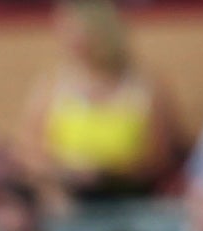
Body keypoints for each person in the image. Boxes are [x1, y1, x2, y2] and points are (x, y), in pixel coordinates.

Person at [20, 0, 181, 204]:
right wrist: (65, 173)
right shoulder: (51, 86)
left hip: (133, 198)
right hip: (68, 202)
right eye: (63, 28)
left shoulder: (145, 86)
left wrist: (111, 172)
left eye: (76, 29)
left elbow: (162, 157)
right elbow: (27, 155)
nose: (67, 37)